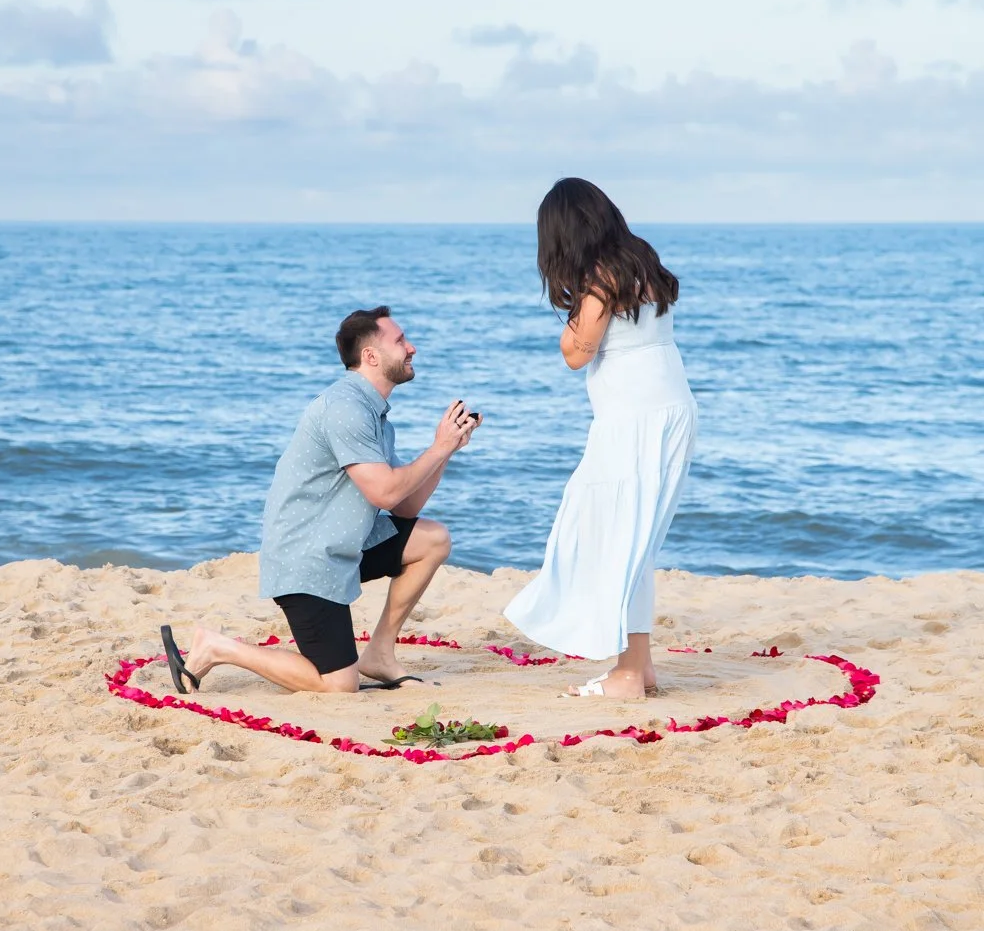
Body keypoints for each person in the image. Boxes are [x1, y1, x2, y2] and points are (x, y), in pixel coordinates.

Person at [160, 306, 482, 696]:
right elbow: (384, 492)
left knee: (432, 538)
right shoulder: (345, 408)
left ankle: (379, 654)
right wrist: (438, 447)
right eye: (400, 341)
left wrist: (446, 450)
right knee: (339, 686)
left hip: (344, 549)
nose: (411, 347)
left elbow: (405, 507)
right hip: (306, 560)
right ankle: (217, 647)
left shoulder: (376, 417)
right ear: (371, 356)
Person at [504, 179, 697, 699]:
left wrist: (571, 317)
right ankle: (639, 664)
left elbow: (576, 353)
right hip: (667, 412)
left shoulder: (600, 282)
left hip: (633, 422)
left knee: (613, 537)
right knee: (632, 540)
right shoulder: (642, 261)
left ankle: (629, 674)